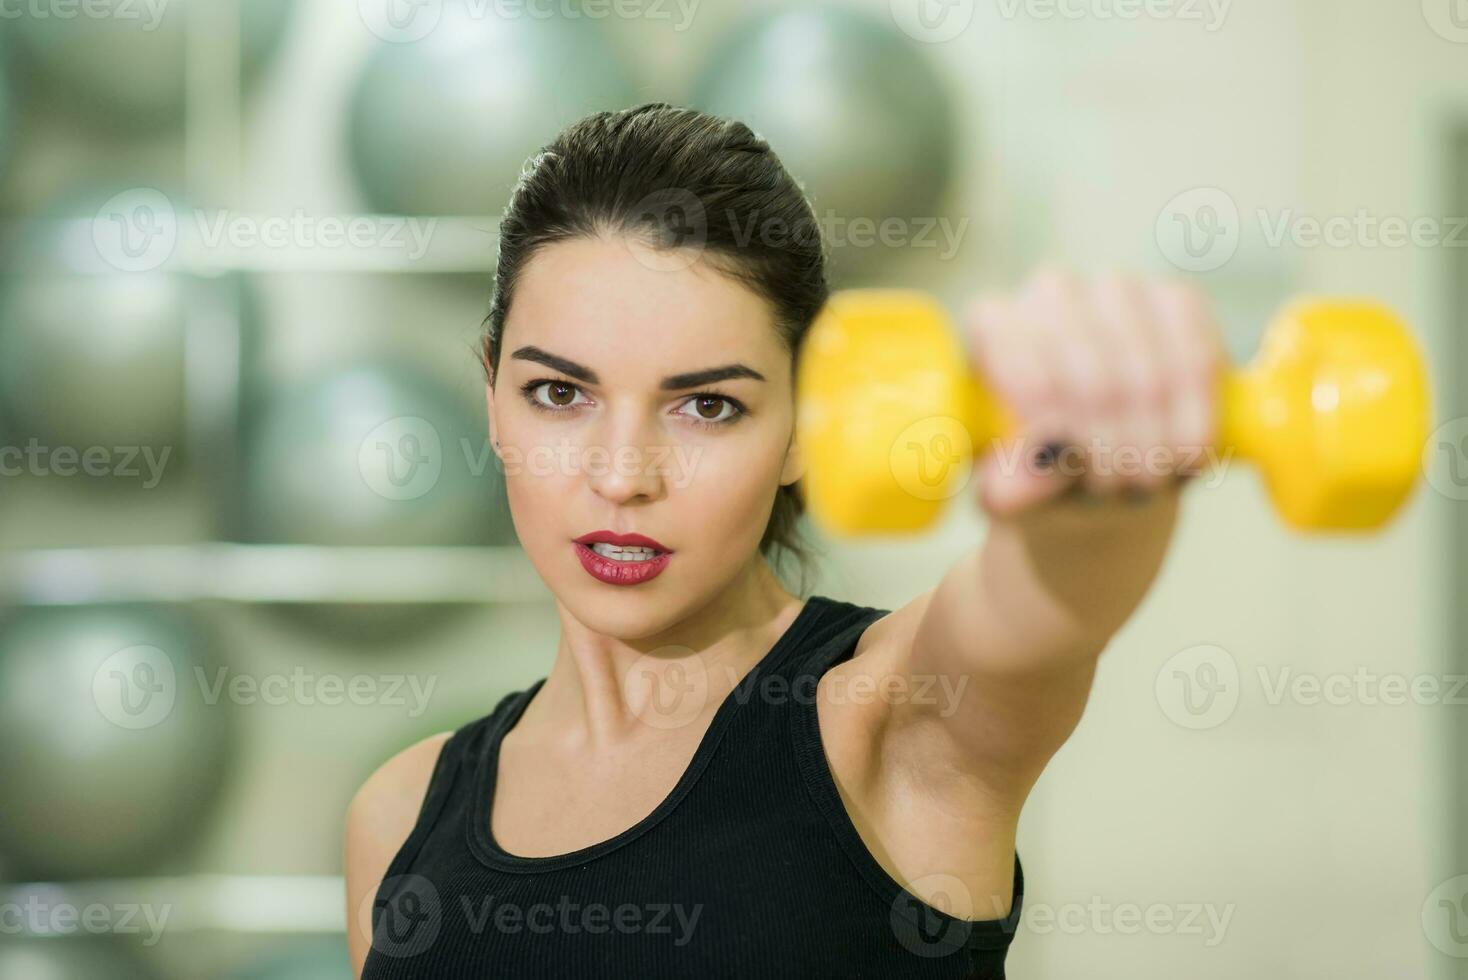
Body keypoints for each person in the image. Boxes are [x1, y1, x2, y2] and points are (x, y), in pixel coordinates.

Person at [344, 102, 1221, 978]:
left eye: (707, 405)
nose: (622, 476)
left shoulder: (893, 723)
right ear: (493, 391)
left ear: (807, 422)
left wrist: (1099, 480)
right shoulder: (399, 814)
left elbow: (1039, 605)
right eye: (560, 394)